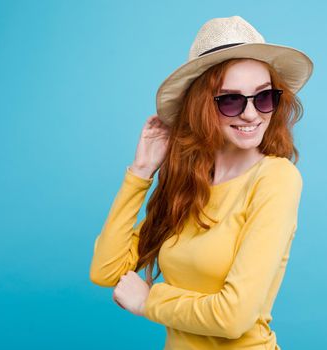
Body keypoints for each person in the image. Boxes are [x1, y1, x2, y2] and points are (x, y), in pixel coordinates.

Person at [89, 15, 313, 349]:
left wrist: (149, 301)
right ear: (201, 107)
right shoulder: (187, 185)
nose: (251, 114)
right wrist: (140, 173)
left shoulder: (276, 179)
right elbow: (106, 271)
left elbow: (233, 317)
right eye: (231, 100)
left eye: (264, 97)